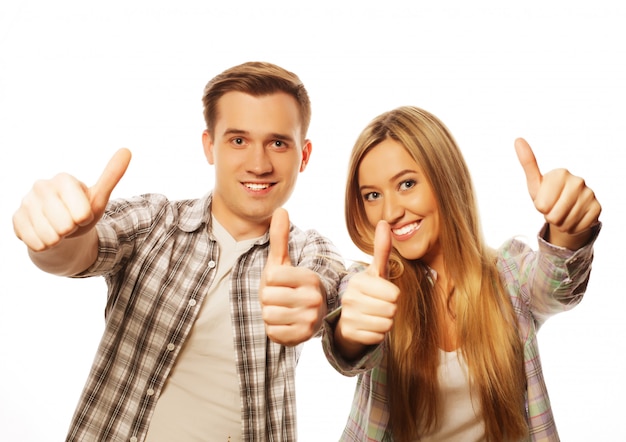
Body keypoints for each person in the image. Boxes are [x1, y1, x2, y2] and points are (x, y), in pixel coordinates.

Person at [12, 61, 344, 441]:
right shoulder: (155, 221)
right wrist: (57, 236)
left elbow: (332, 293)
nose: (259, 164)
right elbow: (80, 250)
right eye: (238, 140)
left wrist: (317, 307)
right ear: (209, 146)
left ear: (304, 155)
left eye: (278, 143)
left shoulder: (308, 252)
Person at [322, 106, 601, 441]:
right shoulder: (372, 285)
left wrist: (569, 231)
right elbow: (349, 333)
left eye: (407, 184)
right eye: (372, 195)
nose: (391, 212)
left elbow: (556, 286)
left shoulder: (509, 276)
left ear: (445, 179)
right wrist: (351, 334)